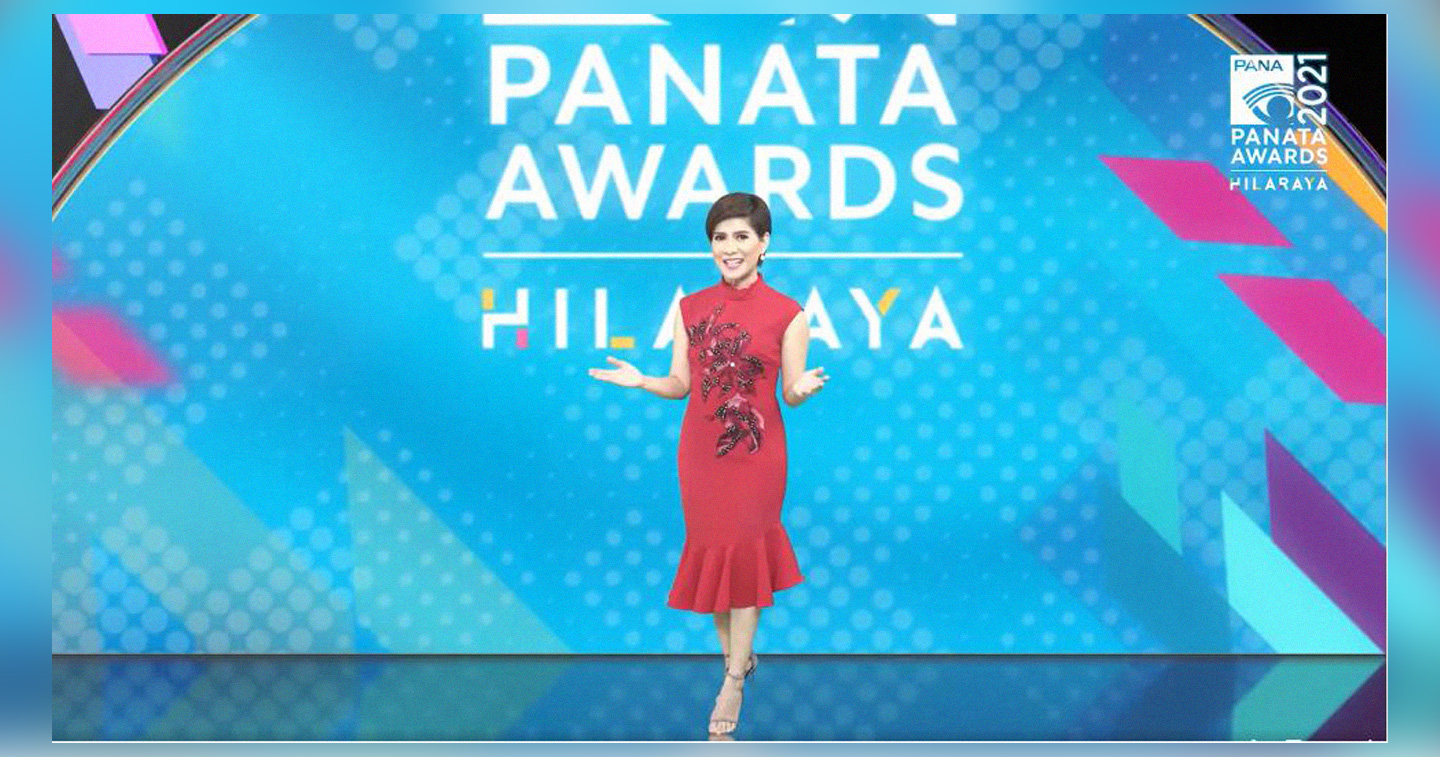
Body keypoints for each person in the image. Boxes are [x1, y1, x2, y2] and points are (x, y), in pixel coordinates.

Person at [589, 192, 827, 737]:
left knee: (744, 556)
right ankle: (737, 658)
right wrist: (641, 380)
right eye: (721, 237)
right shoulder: (690, 308)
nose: (730, 247)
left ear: (764, 243)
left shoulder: (790, 314)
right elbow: (680, 384)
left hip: (757, 454)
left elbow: (790, 391)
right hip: (700, 454)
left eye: (742, 236)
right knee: (716, 557)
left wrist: (803, 388)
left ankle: (733, 681)